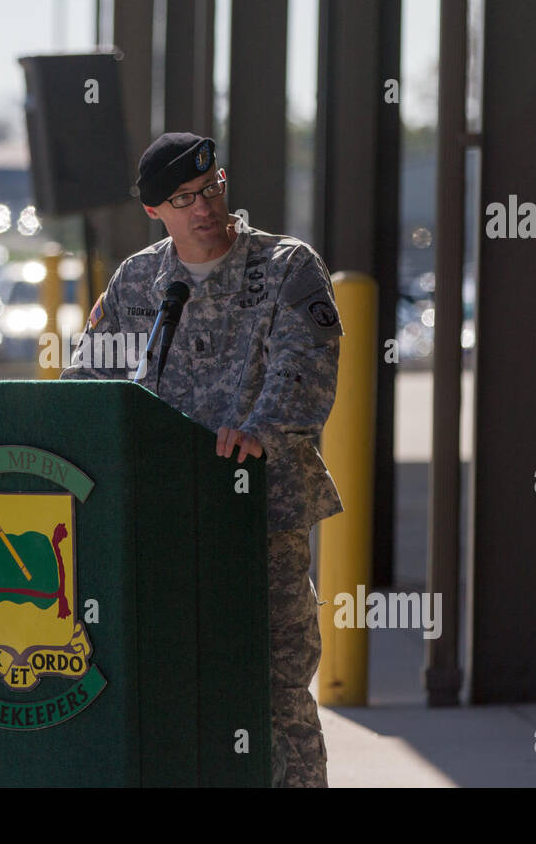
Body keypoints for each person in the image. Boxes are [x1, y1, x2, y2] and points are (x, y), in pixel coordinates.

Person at [59, 131, 344, 787]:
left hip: (258, 516)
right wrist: (47, 434)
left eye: (212, 187)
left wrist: (259, 428)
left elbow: (307, 362)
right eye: (185, 198)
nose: (205, 207)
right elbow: (89, 381)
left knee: (275, 692)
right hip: (160, 522)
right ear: (156, 211)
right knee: (167, 690)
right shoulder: (139, 282)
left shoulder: (285, 265)